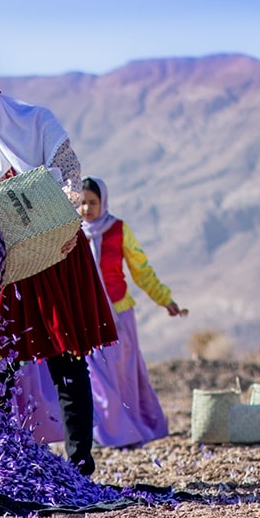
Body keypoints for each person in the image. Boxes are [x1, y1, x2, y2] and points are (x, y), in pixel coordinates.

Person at [0, 57, 117, 476]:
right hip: (5, 257)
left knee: (65, 354)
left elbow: (70, 172)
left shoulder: (36, 120)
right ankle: (2, 459)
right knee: (1, 360)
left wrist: (65, 208)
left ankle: (80, 462)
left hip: (54, 248)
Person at [81, 175, 186, 447]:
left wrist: (164, 299)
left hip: (118, 316)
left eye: (93, 202)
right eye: (82, 203)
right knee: (96, 378)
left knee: (123, 375)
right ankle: (106, 433)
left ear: (103, 202)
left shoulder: (119, 230)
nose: (87, 209)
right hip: (86, 317)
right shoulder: (72, 233)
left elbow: (142, 270)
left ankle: (130, 430)